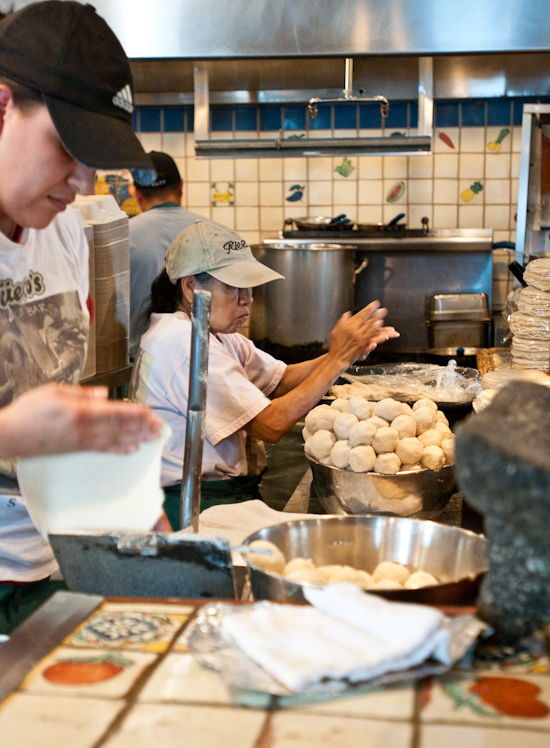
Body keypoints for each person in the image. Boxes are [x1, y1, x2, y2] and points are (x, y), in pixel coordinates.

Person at [0, 1, 165, 632]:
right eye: (69, 147)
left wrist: (130, 497)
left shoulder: (65, 232)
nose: (83, 179)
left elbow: (65, 409)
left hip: (49, 565)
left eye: (95, 156)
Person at [130, 220, 399, 530]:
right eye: (234, 287)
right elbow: (270, 425)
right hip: (192, 504)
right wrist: (337, 359)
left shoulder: (213, 331)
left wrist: (344, 352)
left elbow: (281, 378)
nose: (248, 299)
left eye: (250, 287)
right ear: (191, 287)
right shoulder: (182, 342)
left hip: (224, 493)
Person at [129, 151, 206, 360]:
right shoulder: (211, 232)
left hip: (143, 363)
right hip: (205, 359)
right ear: (181, 187)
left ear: (137, 195)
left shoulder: (122, 235)